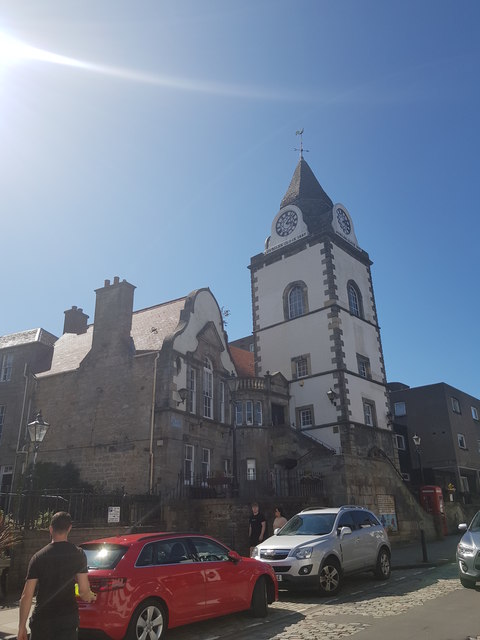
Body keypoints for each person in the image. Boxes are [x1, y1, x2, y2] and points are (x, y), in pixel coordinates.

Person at [18, 511, 96, 640]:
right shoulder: (78, 554)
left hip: (42, 619)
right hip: (67, 618)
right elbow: (83, 590)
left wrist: (22, 626)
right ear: (69, 528)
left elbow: (26, 595)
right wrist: (89, 596)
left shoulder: (38, 557)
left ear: (50, 529)